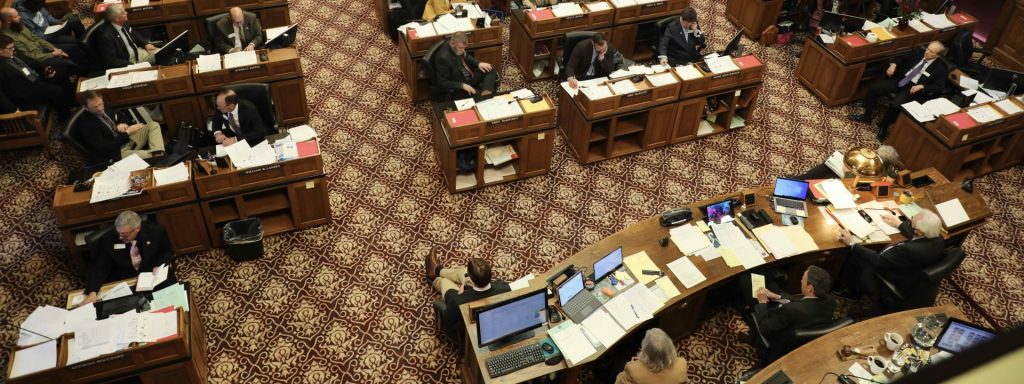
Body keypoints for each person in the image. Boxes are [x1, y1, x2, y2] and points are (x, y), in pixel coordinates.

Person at [834, 209, 945, 299]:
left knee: (856, 255)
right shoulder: (938, 237)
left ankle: (849, 291)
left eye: (911, 223)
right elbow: (916, 236)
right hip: (912, 269)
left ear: (919, 231)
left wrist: (851, 242)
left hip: (894, 274)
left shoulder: (909, 250)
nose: (908, 223)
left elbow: (879, 261)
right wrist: (898, 224)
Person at [849, 41, 949, 141]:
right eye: (928, 49)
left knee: (895, 105)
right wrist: (893, 65)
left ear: (937, 55)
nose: (927, 52)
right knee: (874, 88)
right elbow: (900, 58)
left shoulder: (940, 69)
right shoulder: (918, 52)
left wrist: (922, 86)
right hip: (900, 79)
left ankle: (884, 125)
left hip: (912, 88)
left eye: (931, 52)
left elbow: (939, 87)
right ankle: (867, 115)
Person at [740, 266, 836, 362]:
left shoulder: (790, 310)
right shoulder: (831, 301)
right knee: (770, 284)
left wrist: (762, 303)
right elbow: (802, 302)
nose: (801, 280)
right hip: (798, 325)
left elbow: (765, 329)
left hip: (778, 341)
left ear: (810, 289)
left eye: (803, 278)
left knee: (744, 279)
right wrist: (778, 297)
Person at [82, 210, 176, 305]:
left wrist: (159, 265)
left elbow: (167, 252)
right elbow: (101, 266)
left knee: (170, 301)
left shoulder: (156, 232)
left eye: (125, 234)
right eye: (118, 233)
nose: (120, 237)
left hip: (151, 275)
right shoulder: (108, 239)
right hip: (127, 280)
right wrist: (92, 292)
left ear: (137, 228)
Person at [424, 250, 510, 339]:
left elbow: (448, 321)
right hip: (494, 323)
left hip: (468, 333)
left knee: (444, 281)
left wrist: (461, 290)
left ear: (472, 280)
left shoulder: (458, 301)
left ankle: (434, 276)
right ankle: (438, 270)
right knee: (464, 272)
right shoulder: (505, 288)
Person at [76, 90, 165, 165]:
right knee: (155, 155)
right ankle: (160, 157)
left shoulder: (104, 106)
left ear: (101, 99)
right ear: (85, 108)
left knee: (153, 125)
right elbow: (104, 148)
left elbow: (122, 116)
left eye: (100, 104)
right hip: (115, 153)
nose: (100, 108)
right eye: (95, 107)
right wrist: (127, 133)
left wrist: (123, 123)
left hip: (124, 139)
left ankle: (158, 155)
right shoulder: (86, 125)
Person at [0, 35, 72, 118]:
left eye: (13, 47)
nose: (13, 49)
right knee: (57, 91)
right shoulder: (2, 67)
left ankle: (71, 101)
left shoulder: (11, 53)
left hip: (34, 77)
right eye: (10, 48)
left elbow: (29, 61)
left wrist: (44, 69)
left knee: (61, 73)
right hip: (26, 91)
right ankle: (66, 117)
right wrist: (13, 109)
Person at [0, 7, 86, 76]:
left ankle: (88, 65)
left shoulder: (18, 25)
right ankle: (86, 75)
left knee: (73, 47)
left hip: (43, 49)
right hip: (39, 60)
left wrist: (54, 48)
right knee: (68, 63)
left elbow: (36, 39)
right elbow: (30, 56)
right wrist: (53, 54)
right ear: (8, 20)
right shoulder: (7, 38)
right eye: (16, 16)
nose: (20, 17)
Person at [433, 31, 497, 99]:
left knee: (490, 68)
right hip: (459, 85)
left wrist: (478, 63)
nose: (463, 50)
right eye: (461, 48)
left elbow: (466, 56)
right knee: (480, 97)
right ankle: (485, 97)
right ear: (452, 43)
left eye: (464, 48)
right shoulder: (443, 58)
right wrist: (462, 85)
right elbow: (442, 82)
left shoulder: (457, 47)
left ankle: (486, 92)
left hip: (468, 76)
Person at [93, 4, 157, 70]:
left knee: (163, 53)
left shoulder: (122, 23)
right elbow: (111, 61)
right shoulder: (105, 36)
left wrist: (145, 44)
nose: (127, 13)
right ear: (116, 18)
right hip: (127, 63)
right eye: (123, 13)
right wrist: (132, 65)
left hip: (137, 53)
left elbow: (133, 33)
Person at [615, 328, 688, 384]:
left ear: (645, 352)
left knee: (618, 364)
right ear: (670, 346)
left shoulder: (633, 369)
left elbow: (618, 381)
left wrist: (633, 363)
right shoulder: (682, 364)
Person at [795, 145, 903, 180]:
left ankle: (800, 180)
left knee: (826, 168)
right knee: (828, 165)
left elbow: (854, 182)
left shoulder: (879, 172)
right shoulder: (889, 170)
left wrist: (847, 172)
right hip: (851, 177)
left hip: (848, 181)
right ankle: (802, 179)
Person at [14, 0, 87, 50]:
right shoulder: (23, 17)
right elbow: (34, 35)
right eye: (37, 8)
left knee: (74, 20)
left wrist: (58, 22)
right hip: (45, 37)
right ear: (31, 5)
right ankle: (82, 45)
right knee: (73, 42)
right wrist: (50, 32)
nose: (39, 9)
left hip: (53, 29)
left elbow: (48, 17)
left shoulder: (37, 4)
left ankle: (86, 41)